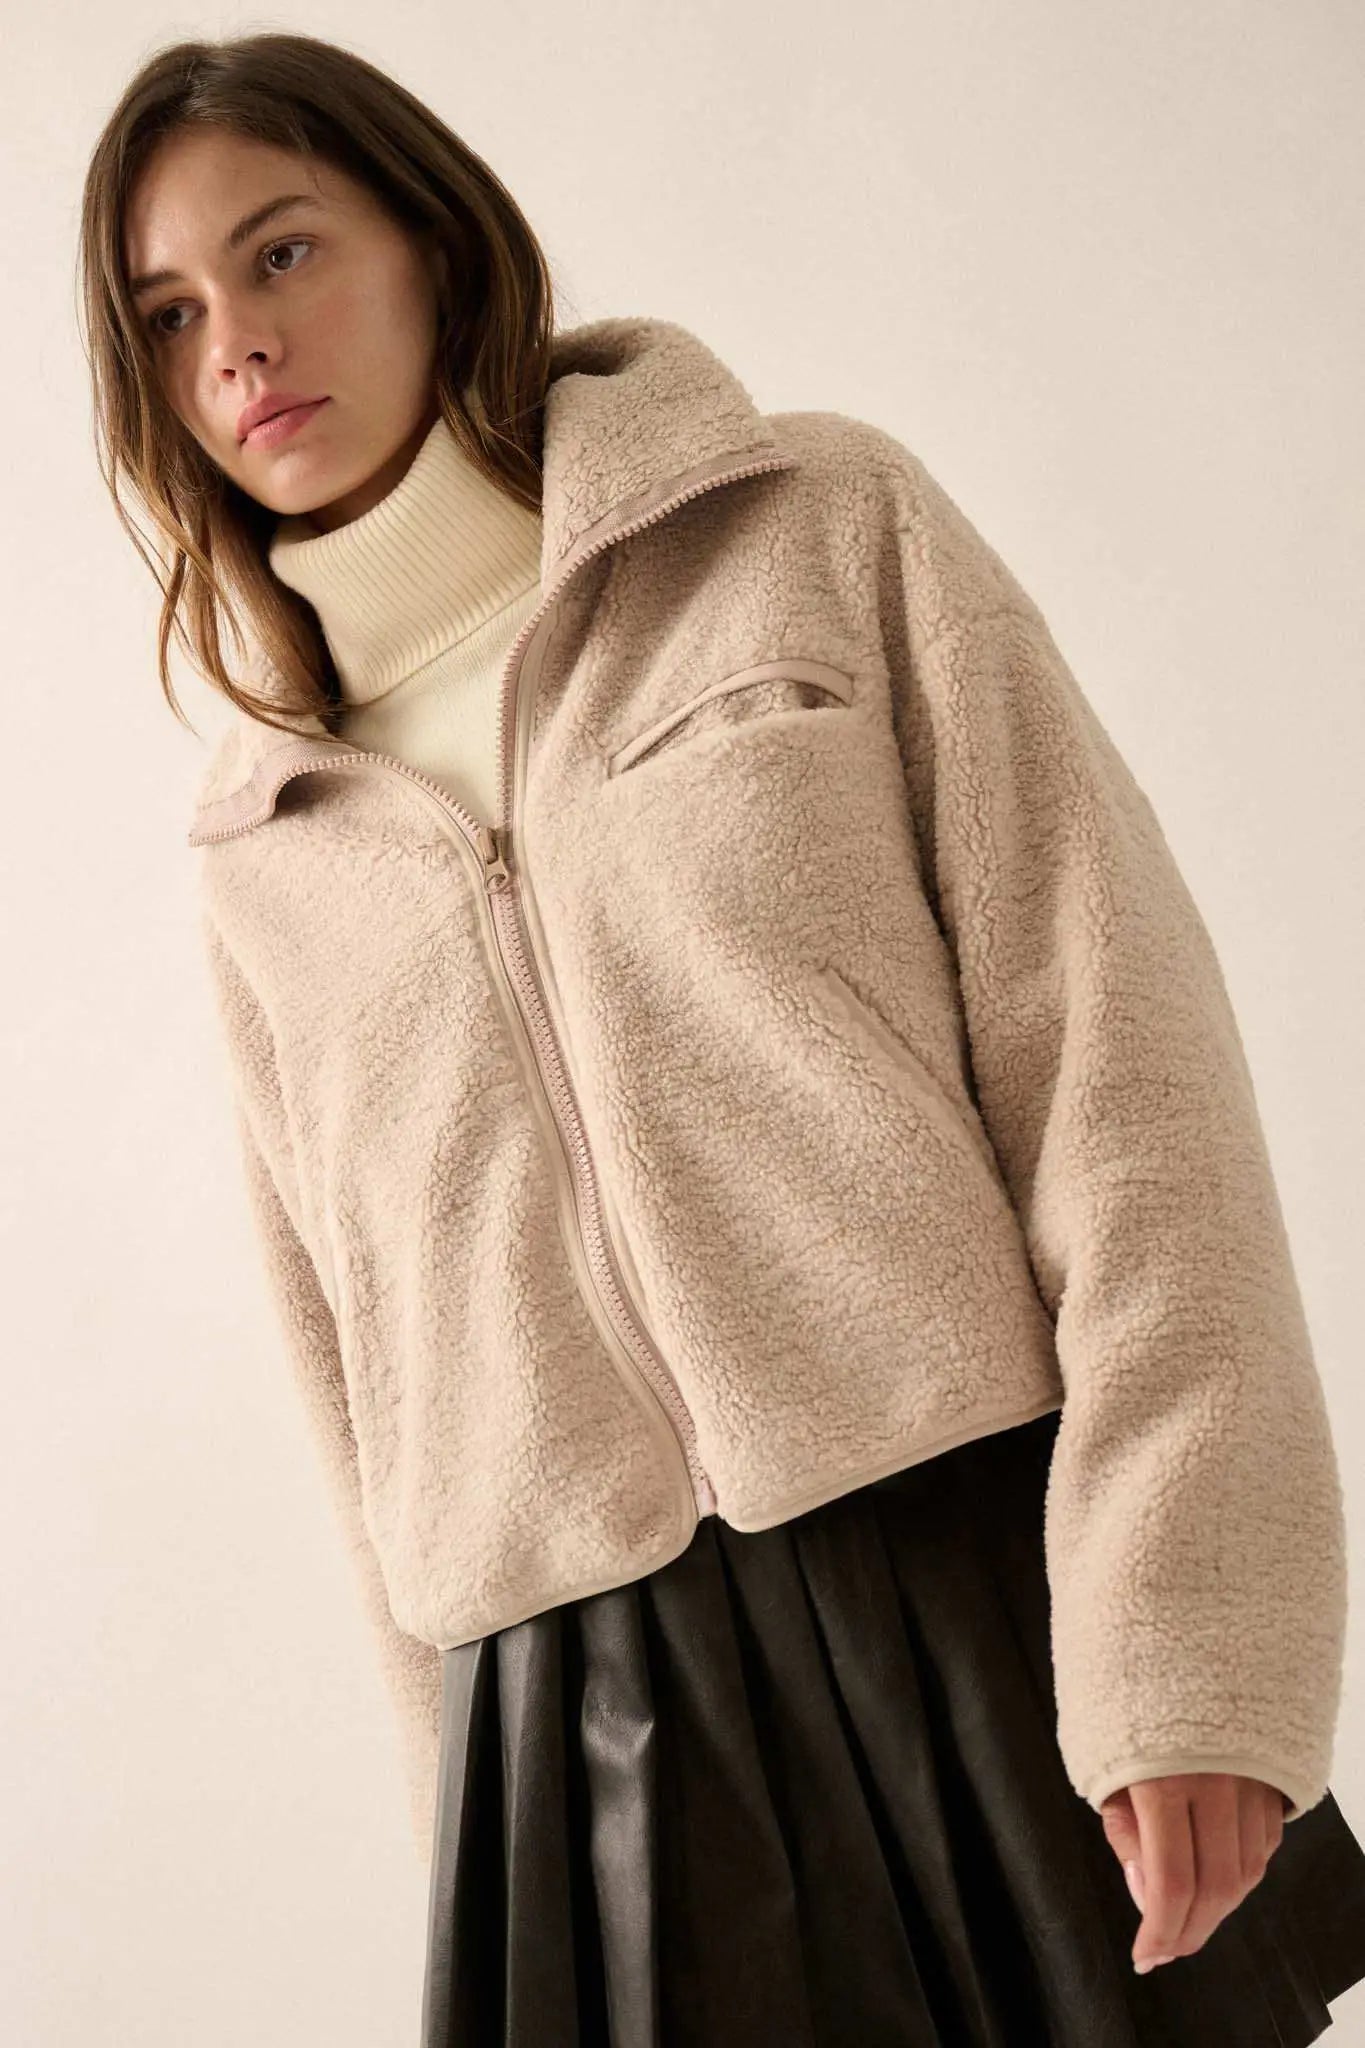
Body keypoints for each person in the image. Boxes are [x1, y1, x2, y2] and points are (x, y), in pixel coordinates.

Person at [82, 28, 1365, 2045]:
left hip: (979, 1598)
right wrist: (460, 1828)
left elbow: (1123, 1082)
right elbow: (365, 1407)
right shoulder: (269, 837)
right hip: (583, 1733)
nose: (235, 343)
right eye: (167, 314)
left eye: (283, 252)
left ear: (432, 242)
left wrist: (1185, 1641)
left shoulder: (814, 527)